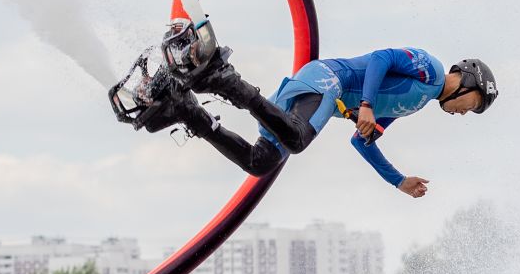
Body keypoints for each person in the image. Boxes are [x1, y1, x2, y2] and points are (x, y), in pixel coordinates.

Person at [114, 21, 496, 198]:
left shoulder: (415, 102)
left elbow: (362, 143)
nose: (464, 113)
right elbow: (380, 58)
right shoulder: (429, 67)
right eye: (471, 104)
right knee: (296, 140)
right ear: (463, 79)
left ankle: (186, 110)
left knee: (260, 162)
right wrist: (364, 104)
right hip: (327, 80)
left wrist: (398, 181)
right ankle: (224, 79)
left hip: (315, 103)